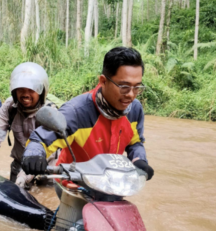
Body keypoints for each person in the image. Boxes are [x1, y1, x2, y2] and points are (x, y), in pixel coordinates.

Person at [22, 47, 154, 183]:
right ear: (103, 81)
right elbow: (41, 139)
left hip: (110, 182)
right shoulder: (77, 111)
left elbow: (135, 142)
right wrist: (34, 155)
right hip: (74, 183)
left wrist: (139, 160)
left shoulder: (135, 109)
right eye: (124, 87)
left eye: (137, 87)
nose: (131, 94)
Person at [0, 62, 55, 188]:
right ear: (14, 90)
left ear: (41, 91)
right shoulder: (10, 107)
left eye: (31, 89)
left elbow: (50, 148)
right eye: (21, 89)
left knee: (47, 198)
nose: (25, 94)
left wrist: (26, 174)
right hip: (19, 163)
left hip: (48, 167)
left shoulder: (49, 112)